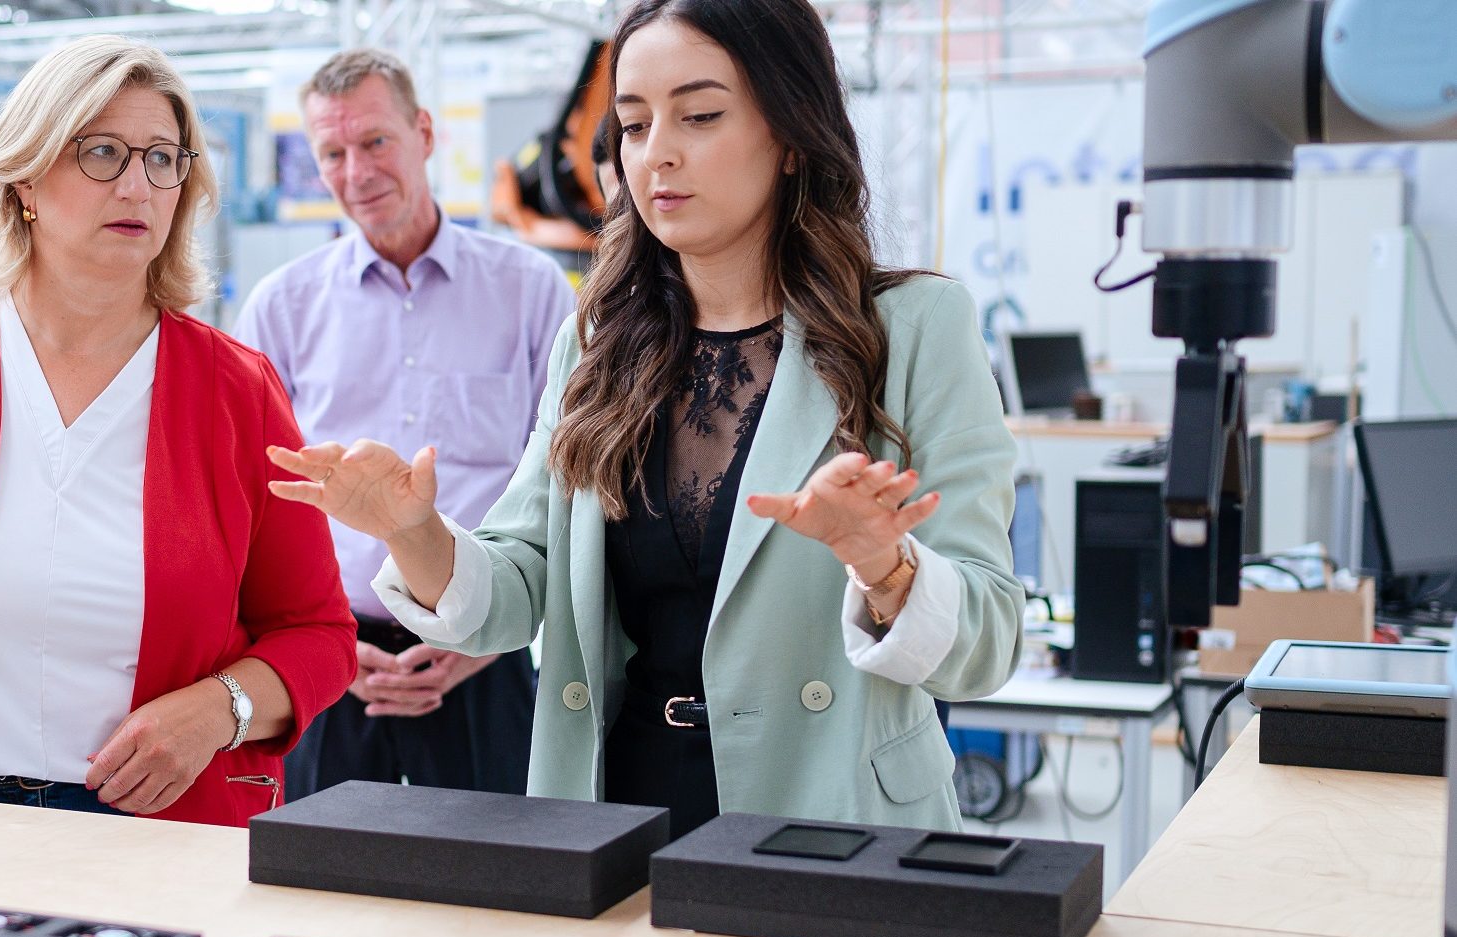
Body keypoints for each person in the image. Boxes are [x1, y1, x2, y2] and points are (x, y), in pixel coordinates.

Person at [271, 0, 1023, 837]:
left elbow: (989, 639)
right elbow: (519, 585)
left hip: (830, 815)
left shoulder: (914, 327)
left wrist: (886, 567)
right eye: (632, 125)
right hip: (619, 812)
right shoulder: (598, 338)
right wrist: (414, 532)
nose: (656, 152)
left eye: (699, 115)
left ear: (790, 131)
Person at [0, 35, 357, 826]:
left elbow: (317, 631)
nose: (140, 185)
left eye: (164, 159)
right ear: (25, 180)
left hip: (161, 842)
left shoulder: (236, 391)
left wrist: (219, 709)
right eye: (104, 153)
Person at [234, 49, 573, 801]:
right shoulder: (280, 308)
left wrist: (486, 637)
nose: (356, 171)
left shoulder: (530, 292)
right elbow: (252, 501)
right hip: (333, 660)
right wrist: (326, 648)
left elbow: (567, 481)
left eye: (376, 141)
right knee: (323, 886)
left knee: (505, 887)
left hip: (488, 654)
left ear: (425, 133)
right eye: (333, 152)